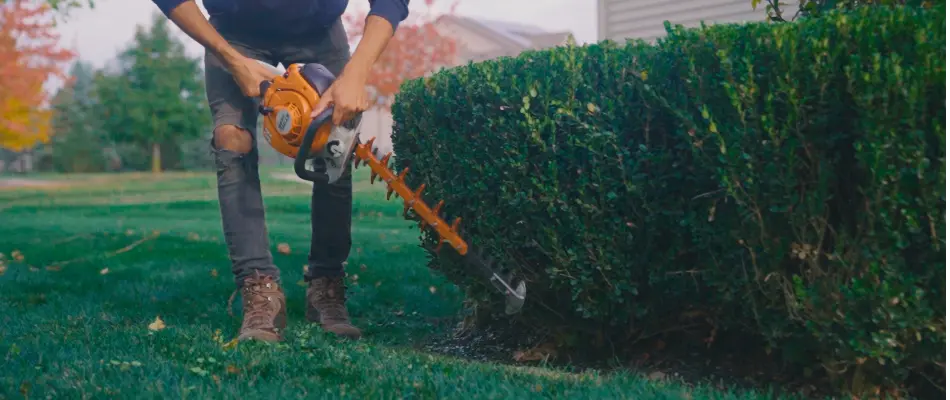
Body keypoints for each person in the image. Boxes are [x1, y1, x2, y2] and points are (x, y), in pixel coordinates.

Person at [149, 0, 409, 342]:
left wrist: (356, 73)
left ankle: (326, 286)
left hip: (318, 30)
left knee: (337, 145)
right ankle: (258, 289)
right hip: (234, 29)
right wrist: (231, 60)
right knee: (231, 138)